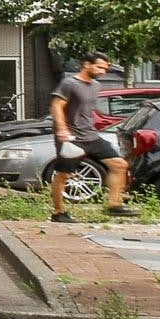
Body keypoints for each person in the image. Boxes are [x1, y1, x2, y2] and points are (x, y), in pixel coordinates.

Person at [48, 50, 127, 223]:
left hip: (91, 136)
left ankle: (114, 205)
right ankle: (58, 212)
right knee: (64, 175)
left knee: (119, 165)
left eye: (105, 69)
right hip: (71, 138)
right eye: (99, 67)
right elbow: (56, 106)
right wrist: (62, 129)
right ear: (86, 65)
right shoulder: (69, 83)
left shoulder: (96, 85)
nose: (102, 71)